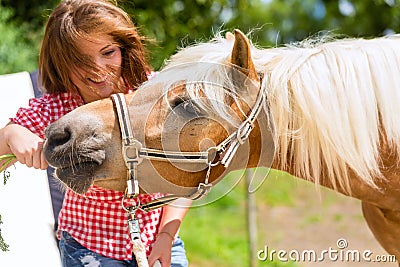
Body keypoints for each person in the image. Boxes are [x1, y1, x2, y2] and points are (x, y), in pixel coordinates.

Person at [0, 0, 190, 266]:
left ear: (125, 49)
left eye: (108, 52)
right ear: (62, 63)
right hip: (89, 248)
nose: (97, 69)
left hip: (159, 240)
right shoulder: (60, 107)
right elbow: (5, 137)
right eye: (80, 60)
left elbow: (185, 174)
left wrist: (167, 236)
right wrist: (12, 135)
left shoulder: (153, 93)